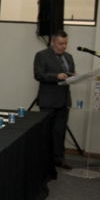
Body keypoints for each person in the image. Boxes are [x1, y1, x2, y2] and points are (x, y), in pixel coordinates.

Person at [34, 30, 75, 175]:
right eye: (60, 43)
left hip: (64, 100)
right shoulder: (42, 55)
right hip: (49, 101)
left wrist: (73, 76)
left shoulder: (69, 57)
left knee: (60, 132)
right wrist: (56, 76)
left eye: (65, 43)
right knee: (46, 132)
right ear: (52, 42)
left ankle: (59, 158)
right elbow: (38, 74)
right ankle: (44, 160)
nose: (63, 46)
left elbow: (69, 75)